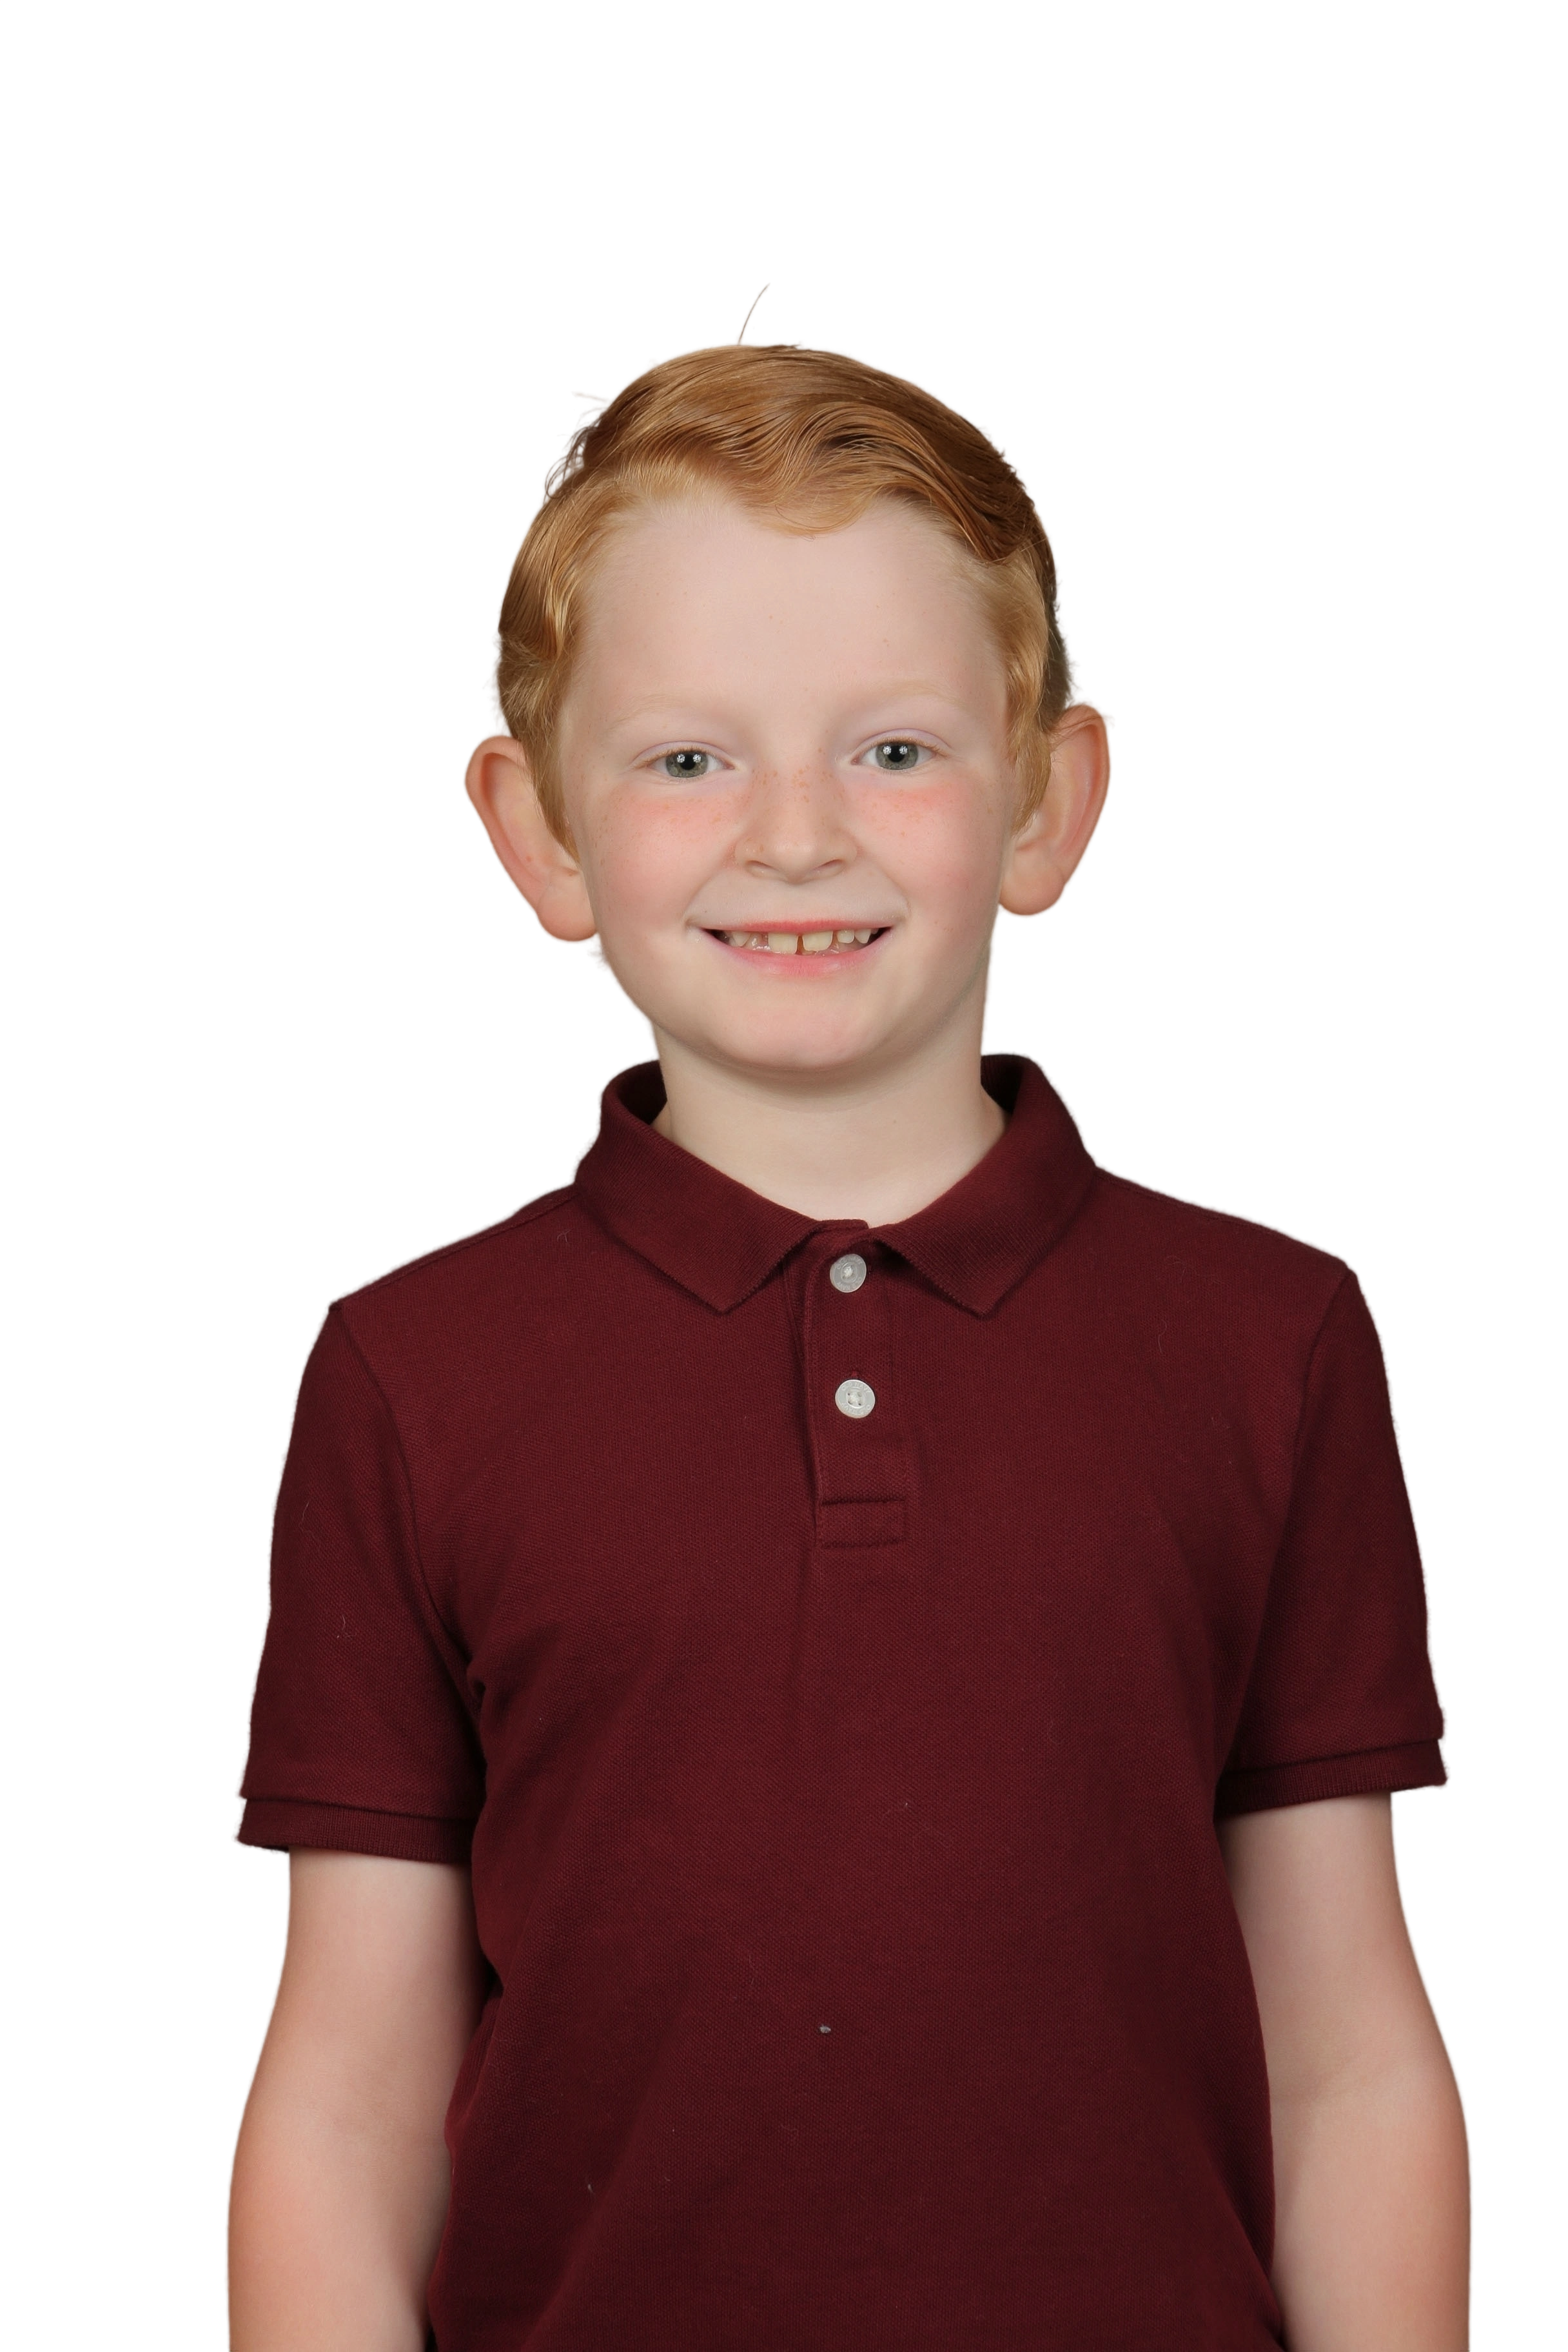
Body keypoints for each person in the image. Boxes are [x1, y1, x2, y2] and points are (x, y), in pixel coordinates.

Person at [223, 333, 1472, 2351]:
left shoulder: (1272, 1339)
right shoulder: (409, 1373)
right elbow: (352, 2092)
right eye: (687, 759)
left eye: (893, 751)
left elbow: (1346, 2052)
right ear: (540, 835)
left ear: (1048, 801)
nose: (794, 835)